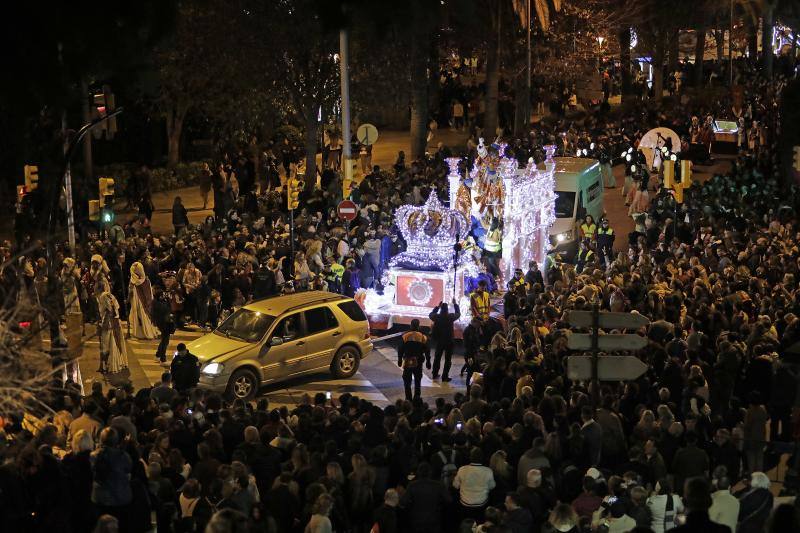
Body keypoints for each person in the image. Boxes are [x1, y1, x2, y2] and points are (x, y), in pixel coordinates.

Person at [400, 462, 451, 533]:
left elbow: (403, 502)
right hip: (434, 519)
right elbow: (449, 500)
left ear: (418, 472)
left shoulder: (412, 485)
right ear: (430, 472)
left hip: (417, 520)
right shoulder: (438, 485)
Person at [453, 447, 496, 522]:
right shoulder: (488, 471)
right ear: (482, 458)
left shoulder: (462, 469)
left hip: (465, 503)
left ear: (470, 457)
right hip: (481, 504)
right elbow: (492, 486)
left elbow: (455, 485)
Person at [429, 300, 461, 382]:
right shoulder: (450, 317)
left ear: (441, 309)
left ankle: (435, 374)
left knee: (437, 358)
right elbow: (458, 314)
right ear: (447, 310)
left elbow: (430, 315)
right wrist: (455, 304)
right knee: (448, 359)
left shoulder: (437, 317)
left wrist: (437, 307)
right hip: (449, 341)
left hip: (439, 341)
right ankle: (445, 376)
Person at [98, 288, 128, 374]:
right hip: (116, 323)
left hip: (110, 325)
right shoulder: (109, 296)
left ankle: (107, 365)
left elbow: (103, 311)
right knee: (116, 343)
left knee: (108, 345)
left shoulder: (103, 297)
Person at [398, 319, 429, 401]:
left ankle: (408, 399)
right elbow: (427, 350)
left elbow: (400, 348)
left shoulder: (405, 336)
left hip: (408, 360)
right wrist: (428, 362)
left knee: (407, 380)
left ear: (411, 326)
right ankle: (417, 398)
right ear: (419, 326)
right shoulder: (422, 337)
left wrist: (399, 359)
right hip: (418, 361)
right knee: (417, 381)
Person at [128, 261, 159, 340]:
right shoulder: (145, 280)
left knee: (142, 318)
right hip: (141, 303)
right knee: (142, 318)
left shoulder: (134, 280)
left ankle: (142, 333)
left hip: (141, 304)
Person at [152, 287, 175, 364]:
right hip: (163, 324)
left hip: (163, 323)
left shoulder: (158, 302)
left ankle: (158, 355)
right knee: (165, 341)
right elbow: (167, 309)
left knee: (164, 340)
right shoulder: (157, 303)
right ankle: (163, 358)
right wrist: (168, 300)